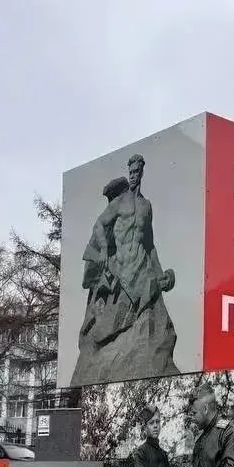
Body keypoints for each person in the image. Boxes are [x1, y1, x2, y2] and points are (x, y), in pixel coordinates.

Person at [71, 156, 180, 385]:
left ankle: (152, 361)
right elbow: (99, 225)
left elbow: (149, 244)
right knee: (110, 327)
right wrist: (103, 250)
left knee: (154, 319)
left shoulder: (146, 206)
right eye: (130, 172)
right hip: (120, 267)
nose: (133, 176)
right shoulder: (119, 202)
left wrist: (160, 274)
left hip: (141, 266)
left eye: (136, 172)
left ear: (141, 173)